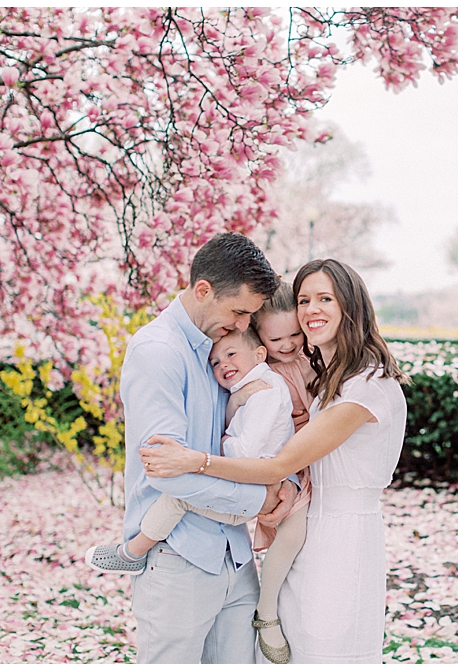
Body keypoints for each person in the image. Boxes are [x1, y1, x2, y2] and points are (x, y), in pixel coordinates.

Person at [140, 259, 409, 664]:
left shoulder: (366, 386)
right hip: (306, 533)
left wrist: (195, 461)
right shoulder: (328, 379)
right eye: (304, 299)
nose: (311, 309)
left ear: (351, 306)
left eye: (325, 298)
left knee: (326, 653)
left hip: (342, 540)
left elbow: (277, 464)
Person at [116, 232, 297, 664]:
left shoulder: (219, 351)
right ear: (203, 290)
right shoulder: (159, 353)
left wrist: (285, 481)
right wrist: (260, 496)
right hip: (178, 556)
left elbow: (257, 431)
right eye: (237, 312)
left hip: (235, 557)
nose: (241, 326)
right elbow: (168, 468)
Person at [87, 325, 306, 663]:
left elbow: (245, 450)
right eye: (216, 362)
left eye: (231, 355)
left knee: (179, 495)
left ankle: (132, 552)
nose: (222, 366)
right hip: (195, 549)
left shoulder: (261, 391)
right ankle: (134, 551)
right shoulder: (169, 357)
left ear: (259, 353)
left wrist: (207, 454)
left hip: (241, 520)